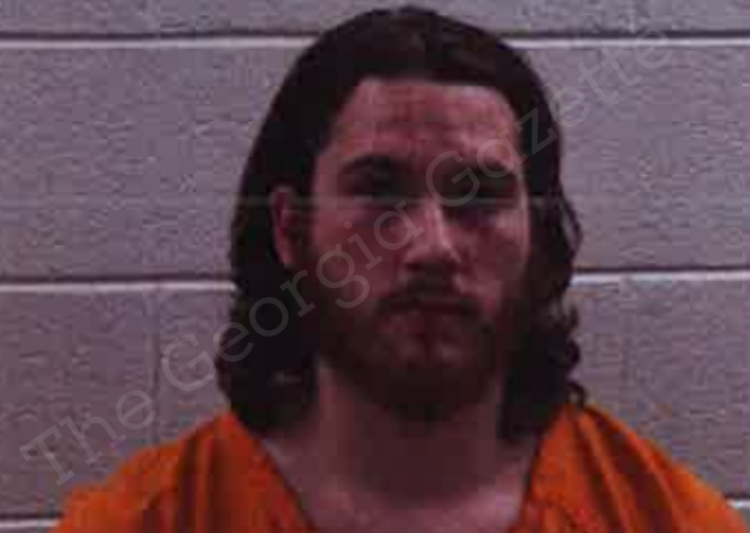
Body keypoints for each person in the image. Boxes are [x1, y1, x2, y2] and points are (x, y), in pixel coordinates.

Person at [52, 7, 748, 533]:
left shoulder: (669, 519)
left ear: (538, 238)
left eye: (479, 196)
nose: (432, 247)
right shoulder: (145, 521)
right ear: (291, 229)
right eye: (380, 190)